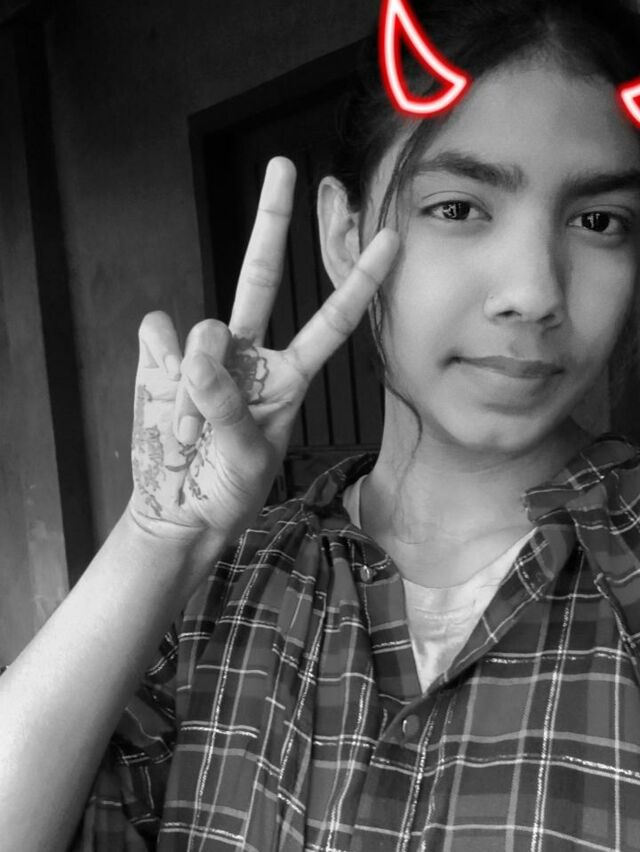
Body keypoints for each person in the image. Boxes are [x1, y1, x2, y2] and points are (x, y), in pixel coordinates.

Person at [3, 0, 640, 849]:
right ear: (345, 234)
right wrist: (161, 539)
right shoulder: (221, 594)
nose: (534, 292)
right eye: (458, 207)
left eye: (599, 221)